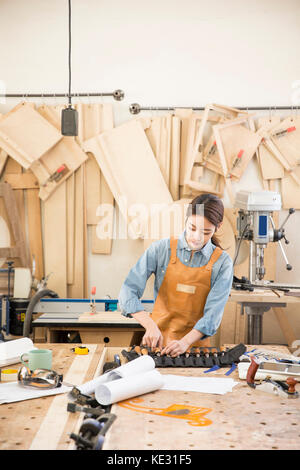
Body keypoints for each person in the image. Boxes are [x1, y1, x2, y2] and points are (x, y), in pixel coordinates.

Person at [118, 193, 233, 357]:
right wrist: (149, 325)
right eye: (192, 228)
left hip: (195, 351)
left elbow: (212, 316)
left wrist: (185, 343)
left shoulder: (223, 263)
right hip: (156, 347)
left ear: (218, 226)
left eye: (206, 232)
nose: (196, 237)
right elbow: (127, 291)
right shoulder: (160, 249)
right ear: (186, 219)